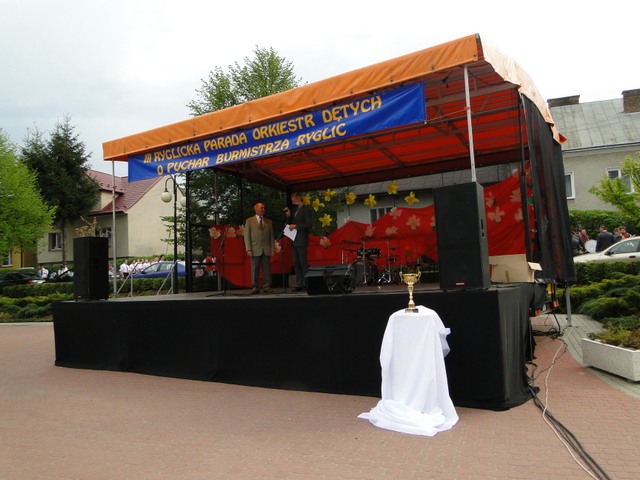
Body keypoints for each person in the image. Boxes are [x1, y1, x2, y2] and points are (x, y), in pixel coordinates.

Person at [244, 202, 275, 294]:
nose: (263, 209)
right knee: (255, 269)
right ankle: (255, 287)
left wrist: (272, 249)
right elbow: (247, 236)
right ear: (256, 209)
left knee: (267, 269)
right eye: (261, 208)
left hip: (266, 248)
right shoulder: (249, 221)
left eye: (264, 208)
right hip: (254, 248)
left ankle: (266, 286)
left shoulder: (268, 221)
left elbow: (271, 236)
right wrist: (248, 249)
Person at [284, 192, 312, 292]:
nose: (292, 202)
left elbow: (308, 224)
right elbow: (290, 224)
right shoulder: (295, 210)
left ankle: (306, 283)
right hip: (294, 240)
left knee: (303, 262)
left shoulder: (305, 210)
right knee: (296, 263)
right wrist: (289, 216)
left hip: (301, 239)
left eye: (294, 200)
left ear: (299, 198)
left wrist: (296, 226)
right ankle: (299, 284)